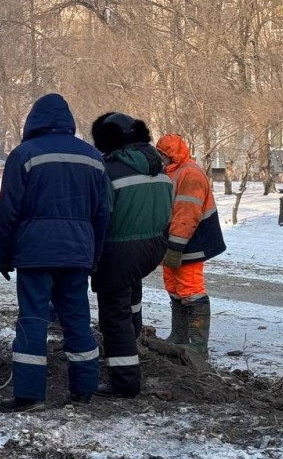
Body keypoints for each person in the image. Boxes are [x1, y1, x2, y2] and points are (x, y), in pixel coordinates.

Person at [0, 93, 111, 413]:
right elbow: (102, 214)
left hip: (35, 254)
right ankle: (84, 389)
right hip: (77, 253)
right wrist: (94, 256)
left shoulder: (24, 155)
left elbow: (9, 212)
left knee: (32, 320)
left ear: (34, 121)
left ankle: (30, 395)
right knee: (78, 321)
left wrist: (1, 255)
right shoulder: (93, 158)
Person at [89, 113, 172, 398]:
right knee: (131, 300)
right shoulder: (158, 166)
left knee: (114, 315)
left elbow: (102, 215)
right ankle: (135, 349)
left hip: (119, 249)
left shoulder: (110, 169)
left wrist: (93, 256)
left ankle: (125, 382)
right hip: (153, 247)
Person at [155, 134, 226, 356]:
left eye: (162, 155)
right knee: (174, 287)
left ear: (170, 155)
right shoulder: (173, 172)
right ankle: (179, 335)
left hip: (192, 241)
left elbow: (186, 215)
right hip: (179, 240)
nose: (160, 159)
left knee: (191, 289)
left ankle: (197, 346)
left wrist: (175, 247)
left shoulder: (189, 174)